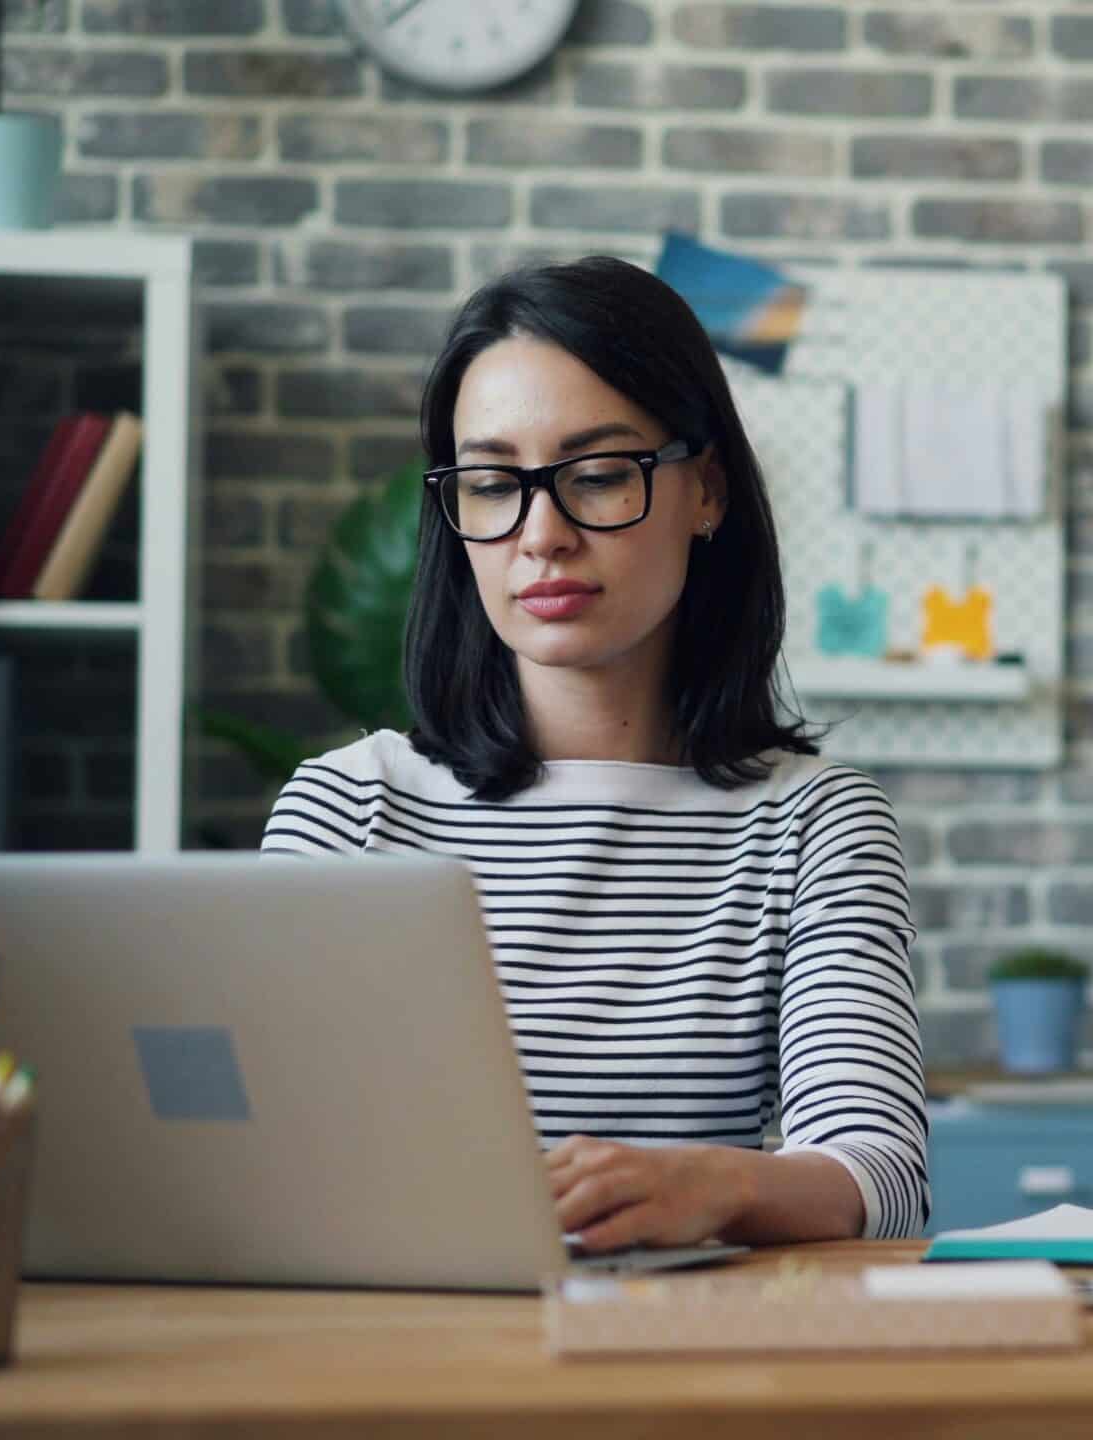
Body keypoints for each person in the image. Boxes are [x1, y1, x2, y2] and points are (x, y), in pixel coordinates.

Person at [264, 256, 927, 1247]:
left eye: (600, 475)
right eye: (492, 484)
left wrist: (718, 1186)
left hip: (683, 1360)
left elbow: (879, 1179)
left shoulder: (812, 823)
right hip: (407, 1351)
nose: (541, 535)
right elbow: (271, 1157)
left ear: (705, 490)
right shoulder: (350, 810)